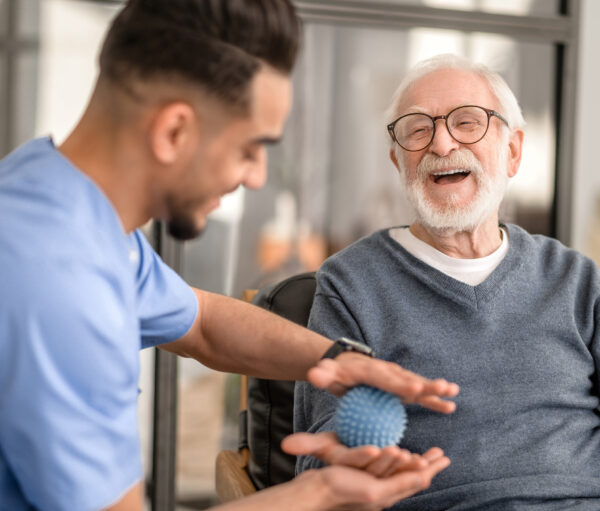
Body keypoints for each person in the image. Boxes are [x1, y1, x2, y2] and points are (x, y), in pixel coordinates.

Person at [0, 2, 462, 510]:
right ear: (174, 131)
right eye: (250, 148)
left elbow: (204, 324)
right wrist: (319, 493)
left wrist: (337, 361)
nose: (257, 176)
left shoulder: (55, 201)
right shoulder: (60, 285)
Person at [294, 53, 600, 510]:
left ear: (512, 151)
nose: (441, 144)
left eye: (467, 122)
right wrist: (357, 462)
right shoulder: (351, 284)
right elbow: (324, 457)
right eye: (418, 129)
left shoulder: (575, 279)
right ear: (398, 160)